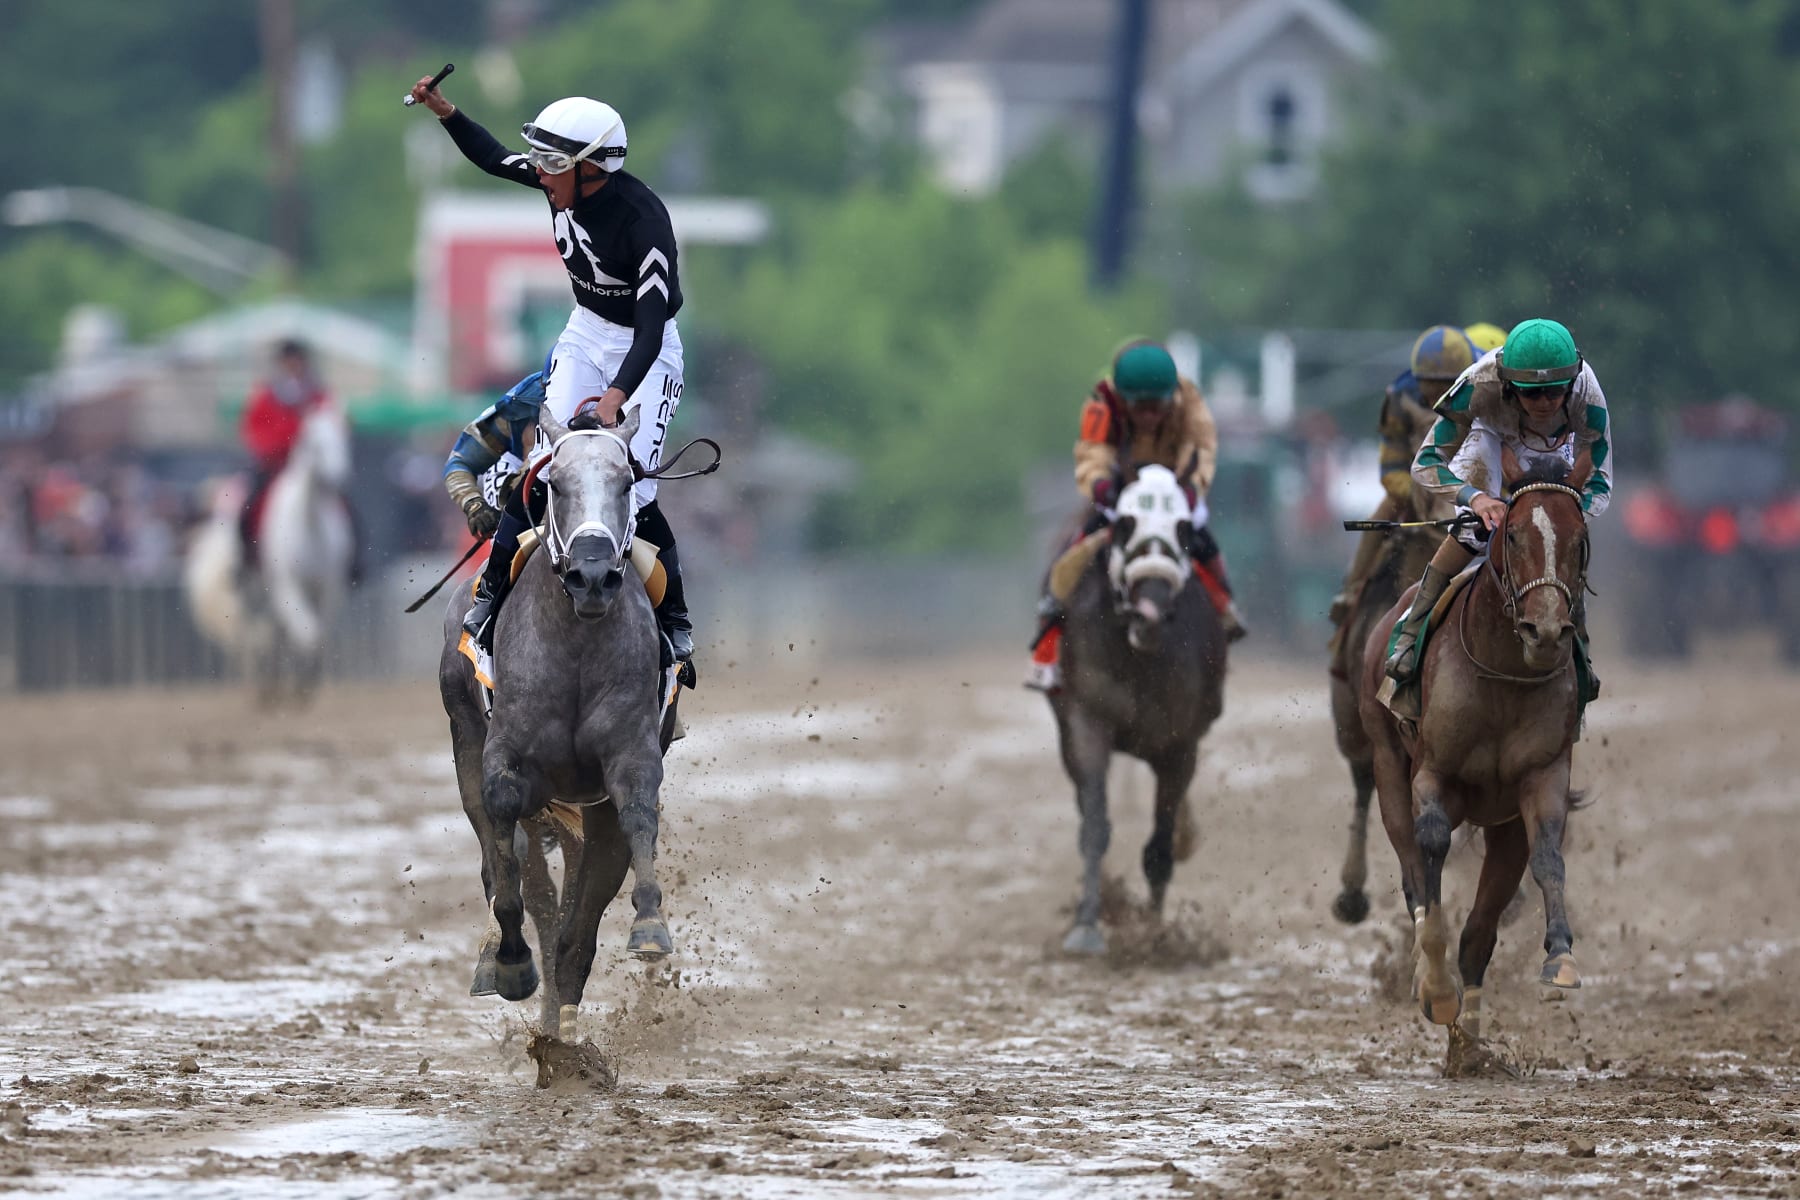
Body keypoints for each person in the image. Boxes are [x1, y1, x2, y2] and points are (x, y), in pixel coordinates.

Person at [410, 73, 693, 666]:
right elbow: (492, 158)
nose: (539, 173)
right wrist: (445, 111)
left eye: (552, 163)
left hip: (646, 349)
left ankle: (675, 624)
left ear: (592, 168)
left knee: (631, 488)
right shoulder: (561, 181)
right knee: (547, 463)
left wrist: (616, 396)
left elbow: (647, 329)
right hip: (586, 331)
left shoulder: (644, 221)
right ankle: (489, 599)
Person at [1383, 318, 1612, 710]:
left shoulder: (1588, 396)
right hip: (1492, 435)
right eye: (1531, 392)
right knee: (1475, 531)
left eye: (1556, 390)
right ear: (1507, 384)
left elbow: (1601, 485)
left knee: (1556, 540)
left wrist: (1562, 512)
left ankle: (1581, 650)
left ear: (1572, 381)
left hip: (1558, 447)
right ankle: (1411, 630)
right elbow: (1425, 463)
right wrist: (1474, 499)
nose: (1545, 402)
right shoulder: (1480, 385)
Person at [1027, 340, 1245, 692]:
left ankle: (1224, 604)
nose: (1147, 416)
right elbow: (1092, 451)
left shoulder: (1191, 402)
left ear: (1170, 396)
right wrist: (1100, 486)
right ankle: (1049, 631)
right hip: (1120, 487)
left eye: (1155, 406)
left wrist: (1191, 488)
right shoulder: (1101, 403)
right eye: (1137, 407)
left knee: (1201, 537)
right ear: (1122, 398)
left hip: (1175, 485)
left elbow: (1201, 449)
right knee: (1077, 542)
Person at [1328, 325, 1479, 631]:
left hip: (1473, 486)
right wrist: (1417, 492)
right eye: (1430, 384)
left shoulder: (1482, 394)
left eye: (1447, 384)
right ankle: (1352, 589)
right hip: (1417, 486)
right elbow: (1391, 466)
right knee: (1381, 514)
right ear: (1417, 380)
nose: (1438, 393)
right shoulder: (1399, 398)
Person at [239, 338, 330, 574]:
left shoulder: (317, 395)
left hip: (311, 468)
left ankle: (354, 561)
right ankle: (247, 556)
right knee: (249, 504)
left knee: (345, 505)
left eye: (298, 361)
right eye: (289, 361)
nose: (294, 366)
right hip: (275, 465)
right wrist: (286, 441)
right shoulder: (266, 396)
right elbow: (254, 431)